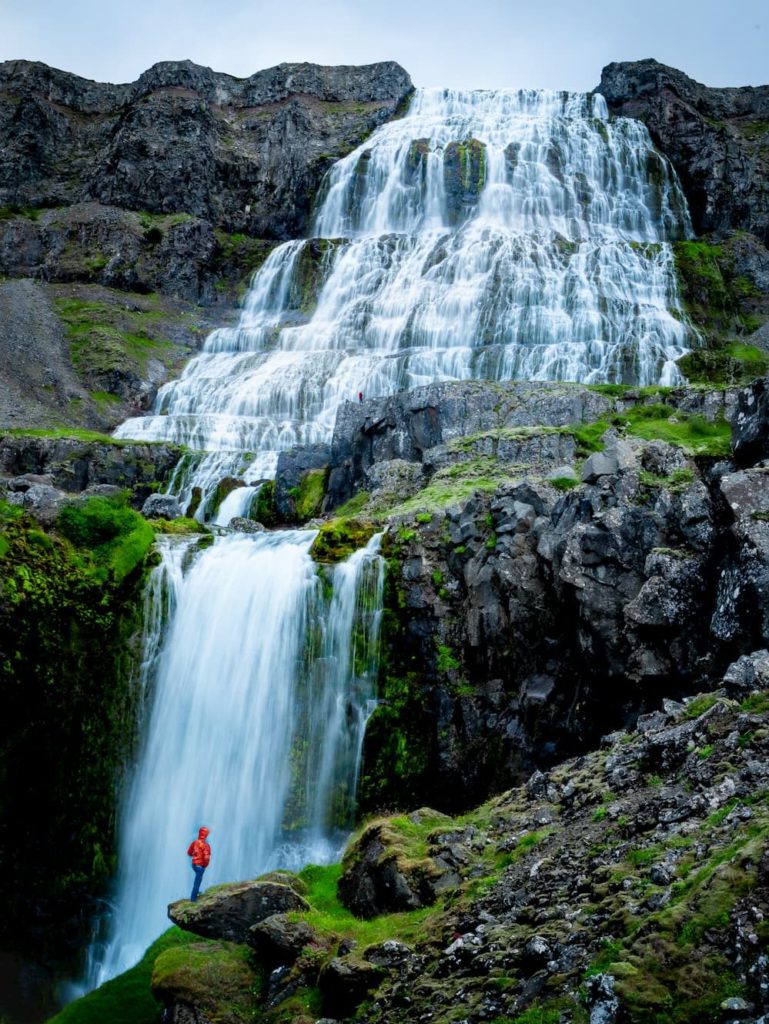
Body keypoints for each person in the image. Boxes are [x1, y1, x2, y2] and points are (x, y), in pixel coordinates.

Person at [187, 826, 211, 901]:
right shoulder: (205, 845)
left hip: (194, 864)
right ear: (206, 835)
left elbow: (189, 853)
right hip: (200, 866)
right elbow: (206, 858)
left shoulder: (194, 842)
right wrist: (205, 865)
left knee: (198, 880)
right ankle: (193, 899)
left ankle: (196, 892)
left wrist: (195, 855)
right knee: (197, 881)